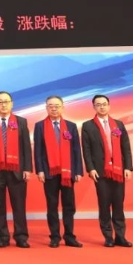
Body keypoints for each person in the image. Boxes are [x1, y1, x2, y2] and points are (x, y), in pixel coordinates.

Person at [0, 91, 32, 248]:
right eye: (0, 102)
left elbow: (26, 146)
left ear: (12, 103)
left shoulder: (21, 121)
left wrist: (27, 168)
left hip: (17, 170)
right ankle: (2, 237)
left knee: (19, 205)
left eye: (6, 102)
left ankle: (21, 236)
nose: (3, 105)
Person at [82, 94, 133, 247]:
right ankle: (108, 237)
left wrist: (128, 167)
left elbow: (126, 147)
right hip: (100, 171)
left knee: (118, 204)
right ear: (94, 107)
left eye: (104, 104)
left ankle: (120, 236)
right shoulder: (88, 126)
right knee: (104, 204)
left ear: (109, 105)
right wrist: (90, 168)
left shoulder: (118, 124)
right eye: (98, 104)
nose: (102, 107)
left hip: (118, 171)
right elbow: (86, 149)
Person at [33, 95, 84, 248]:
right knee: (52, 205)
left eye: (57, 106)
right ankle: (54, 236)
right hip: (49, 172)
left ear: (63, 107)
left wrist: (78, 171)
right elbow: (38, 150)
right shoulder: (39, 126)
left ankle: (69, 236)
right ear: (46, 108)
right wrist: (40, 170)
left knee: (69, 205)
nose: (54, 109)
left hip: (68, 172)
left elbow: (76, 149)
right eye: (50, 106)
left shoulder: (71, 126)